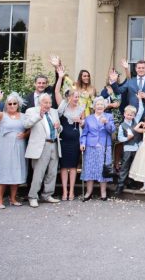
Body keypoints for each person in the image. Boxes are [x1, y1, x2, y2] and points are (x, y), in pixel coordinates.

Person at [23, 93, 62, 207]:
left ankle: (47, 195)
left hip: (54, 144)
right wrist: (39, 115)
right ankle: (33, 196)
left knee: (52, 172)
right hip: (41, 145)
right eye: (46, 102)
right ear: (40, 102)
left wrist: (59, 126)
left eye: (50, 102)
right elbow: (26, 124)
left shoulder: (54, 111)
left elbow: (59, 128)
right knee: (38, 173)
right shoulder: (32, 111)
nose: (48, 105)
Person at [0, 91, 28, 209]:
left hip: (18, 147)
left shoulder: (23, 116)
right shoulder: (2, 115)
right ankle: (0, 200)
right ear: (6, 105)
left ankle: (13, 198)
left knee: (16, 171)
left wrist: (25, 134)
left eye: (14, 103)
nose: (12, 106)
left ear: (18, 104)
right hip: (4, 148)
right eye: (10, 104)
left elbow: (32, 127)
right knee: (3, 171)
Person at [54, 68, 85, 201]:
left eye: (78, 97)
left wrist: (81, 121)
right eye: (75, 97)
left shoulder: (81, 108)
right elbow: (56, 91)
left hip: (75, 140)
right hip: (63, 140)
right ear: (69, 97)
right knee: (64, 166)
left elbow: (84, 125)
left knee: (73, 166)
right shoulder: (63, 106)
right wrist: (60, 77)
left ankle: (71, 191)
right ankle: (64, 191)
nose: (77, 99)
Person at [80, 97, 115, 201]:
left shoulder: (109, 116)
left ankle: (103, 193)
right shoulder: (89, 118)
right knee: (89, 169)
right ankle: (88, 192)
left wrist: (106, 123)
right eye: (97, 104)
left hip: (104, 147)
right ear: (94, 106)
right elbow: (84, 133)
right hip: (91, 147)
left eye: (101, 104)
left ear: (104, 107)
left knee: (102, 170)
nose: (99, 106)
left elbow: (112, 130)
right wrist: (82, 143)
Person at [111, 59, 145, 123]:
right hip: (131, 115)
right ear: (136, 69)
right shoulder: (130, 81)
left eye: (143, 68)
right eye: (139, 68)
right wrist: (114, 82)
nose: (141, 70)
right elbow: (118, 92)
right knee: (131, 133)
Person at [115, 106, 142, 196]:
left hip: (136, 148)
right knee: (125, 166)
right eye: (128, 114)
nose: (129, 116)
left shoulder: (136, 122)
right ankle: (120, 185)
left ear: (134, 116)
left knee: (134, 166)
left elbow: (141, 110)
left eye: (131, 115)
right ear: (124, 114)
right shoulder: (122, 126)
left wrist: (140, 100)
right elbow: (119, 138)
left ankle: (131, 182)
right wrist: (127, 138)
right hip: (127, 148)